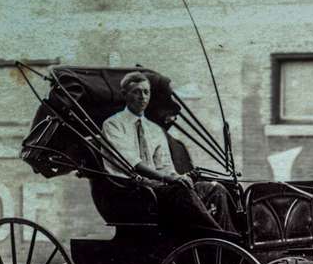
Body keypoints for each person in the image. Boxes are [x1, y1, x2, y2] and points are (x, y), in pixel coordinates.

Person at [101, 71, 238, 235]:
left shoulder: (154, 129)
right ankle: (220, 237)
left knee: (215, 189)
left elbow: (165, 165)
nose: (142, 97)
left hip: (158, 188)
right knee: (182, 192)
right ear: (124, 94)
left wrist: (178, 177)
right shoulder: (113, 125)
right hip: (132, 190)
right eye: (136, 92)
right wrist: (167, 178)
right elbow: (133, 163)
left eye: (146, 92)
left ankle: (227, 239)